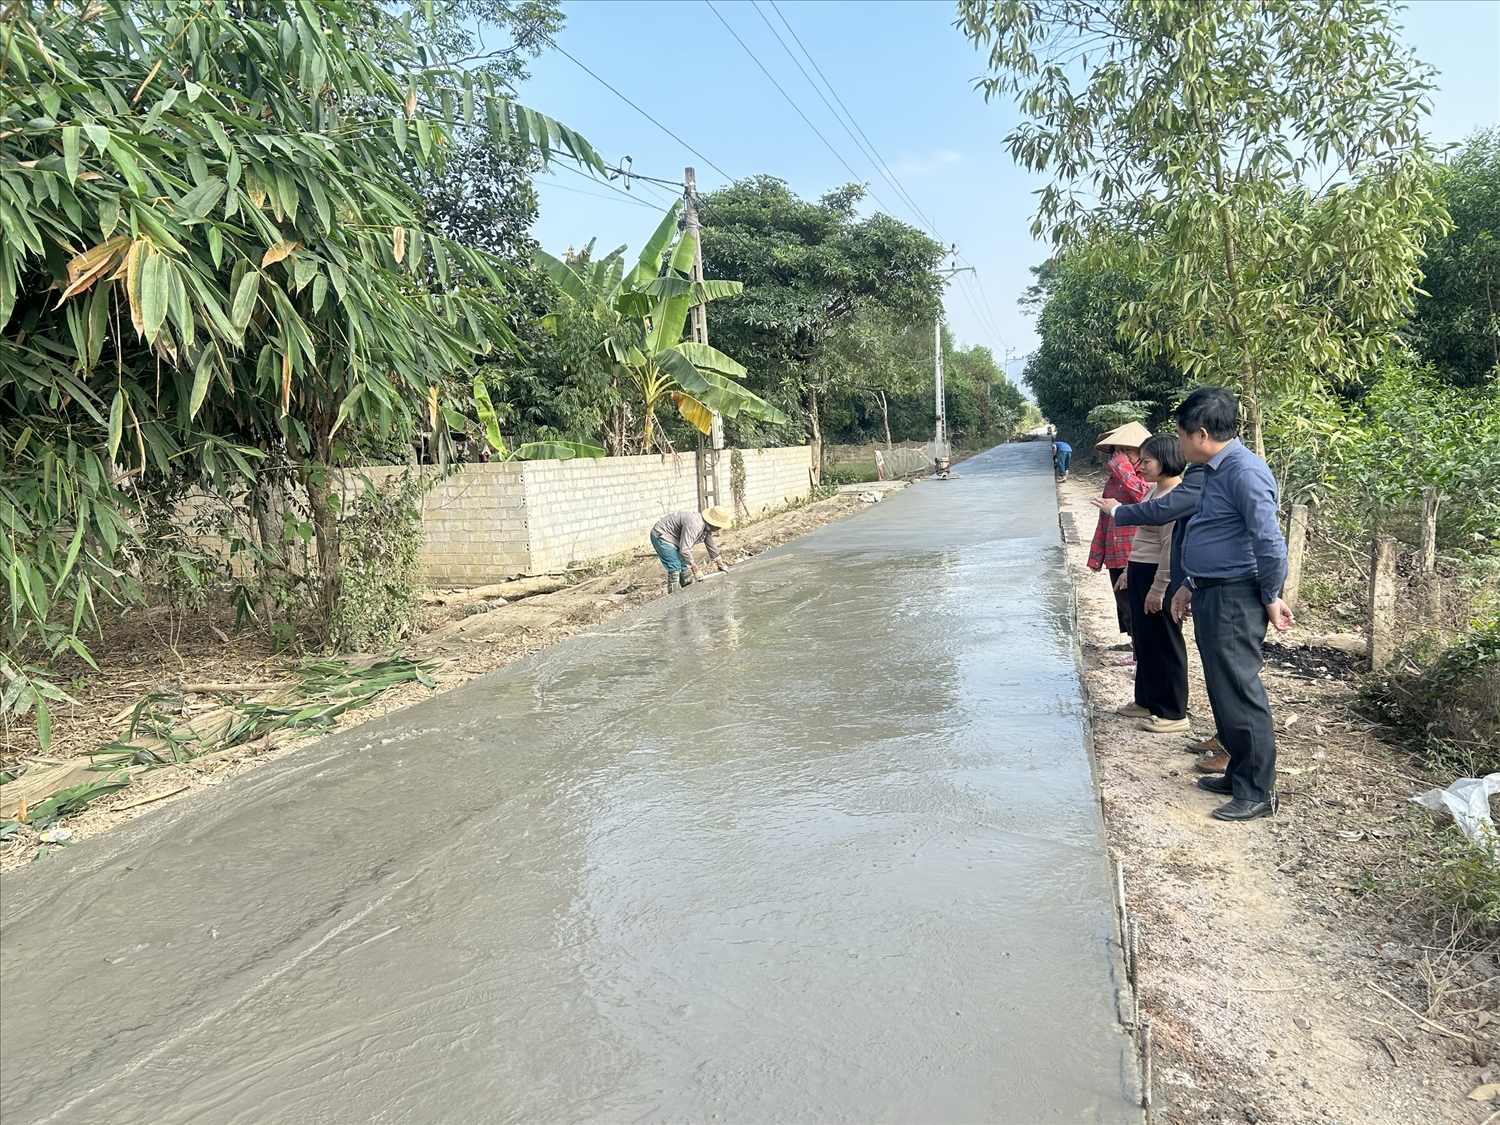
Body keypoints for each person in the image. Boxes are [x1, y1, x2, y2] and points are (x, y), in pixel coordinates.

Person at [1170, 387, 1294, 823]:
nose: (1178, 444)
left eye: (1181, 435)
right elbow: (1213, 533)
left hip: (1235, 597)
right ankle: (1238, 771)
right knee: (1223, 689)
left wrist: (1271, 596)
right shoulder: (1214, 470)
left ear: (1201, 434)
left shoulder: (1244, 471)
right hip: (1210, 591)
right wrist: (1189, 583)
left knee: (1240, 691)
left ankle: (1257, 790)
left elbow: (1269, 543)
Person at [1111, 434, 1190, 733]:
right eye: (1140, 460)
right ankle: (1146, 700)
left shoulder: (1175, 497)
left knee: (1164, 641)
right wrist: (1130, 571)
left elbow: (1170, 547)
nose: (1140, 466)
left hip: (1161, 575)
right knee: (1144, 639)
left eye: (1146, 461)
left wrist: (1160, 587)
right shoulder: (1154, 491)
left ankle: (1173, 711)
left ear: (1166, 461)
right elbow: (1145, 538)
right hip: (1142, 571)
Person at [1087, 422, 1151, 654]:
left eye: (1127, 452)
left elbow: (1144, 497)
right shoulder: (1113, 480)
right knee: (1124, 604)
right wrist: (1097, 555)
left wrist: (1123, 468)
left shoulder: (1148, 477)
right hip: (1116, 552)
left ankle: (1142, 650)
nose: (1120, 457)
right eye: (1117, 452)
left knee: (1137, 604)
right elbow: (1104, 520)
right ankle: (1135, 645)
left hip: (1137, 552)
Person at [652, 506, 732, 593]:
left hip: (675, 539)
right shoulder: (695, 525)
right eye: (719, 525)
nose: (720, 528)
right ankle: (673, 599)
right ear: (714, 523)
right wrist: (696, 569)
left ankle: (687, 596)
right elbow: (685, 550)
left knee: (685, 570)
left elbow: (711, 545)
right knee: (675, 569)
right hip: (662, 536)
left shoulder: (707, 527)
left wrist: (720, 564)